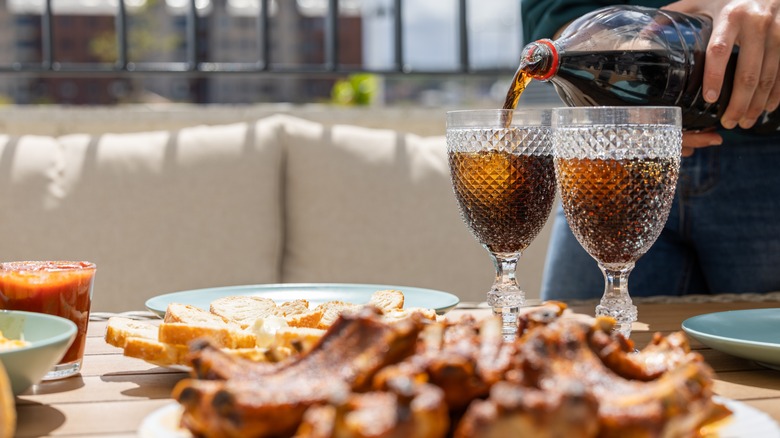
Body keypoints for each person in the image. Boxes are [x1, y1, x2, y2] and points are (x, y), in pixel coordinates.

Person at [521, 0, 780, 299]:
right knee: (575, 337)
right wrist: (597, 43)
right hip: (614, 159)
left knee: (764, 336)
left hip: (764, 153)